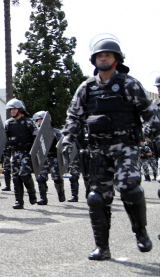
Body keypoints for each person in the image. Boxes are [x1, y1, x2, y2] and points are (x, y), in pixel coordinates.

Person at [61, 34, 159, 260]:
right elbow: (73, 116)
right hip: (98, 150)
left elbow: (151, 114)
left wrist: (145, 136)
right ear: (93, 60)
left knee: (128, 187)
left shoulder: (129, 84)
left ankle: (140, 231)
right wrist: (67, 139)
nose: (103, 58)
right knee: (97, 197)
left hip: (125, 147)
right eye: (99, 55)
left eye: (108, 55)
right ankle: (102, 248)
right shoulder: (86, 88)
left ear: (116, 59)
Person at [4, 98, 38, 209]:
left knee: (25, 174)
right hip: (15, 153)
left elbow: (37, 137)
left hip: (26, 152)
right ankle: (19, 201)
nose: (12, 111)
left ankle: (32, 194)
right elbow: (4, 138)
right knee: (15, 177)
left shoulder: (28, 122)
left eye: (14, 109)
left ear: (20, 109)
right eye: (11, 109)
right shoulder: (8, 123)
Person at [32, 110, 65, 205]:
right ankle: (43, 199)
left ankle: (61, 193)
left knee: (57, 178)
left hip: (53, 157)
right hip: (42, 158)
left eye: (41, 120)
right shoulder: (36, 133)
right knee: (40, 178)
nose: (39, 122)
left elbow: (61, 145)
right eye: (38, 120)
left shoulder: (56, 132)